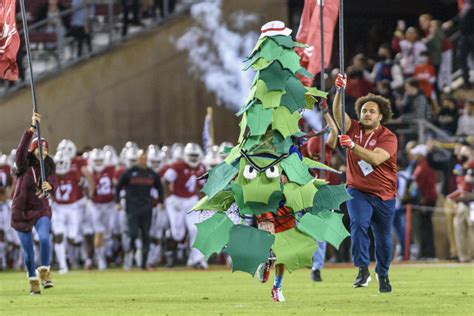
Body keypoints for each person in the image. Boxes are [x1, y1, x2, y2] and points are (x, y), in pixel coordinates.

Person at [333, 74, 397, 293]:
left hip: (384, 194)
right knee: (358, 223)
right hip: (357, 190)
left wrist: (352, 146)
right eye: (363, 110)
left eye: (371, 111)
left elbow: (376, 159)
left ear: (380, 116)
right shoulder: (353, 129)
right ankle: (362, 269)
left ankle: (383, 273)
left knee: (384, 239)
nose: (367, 114)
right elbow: (338, 114)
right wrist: (339, 91)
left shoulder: (388, 137)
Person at [11, 113, 57, 295]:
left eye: (45, 149)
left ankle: (45, 270)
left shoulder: (49, 166)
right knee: (28, 253)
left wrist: (51, 185)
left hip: (40, 209)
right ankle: (33, 280)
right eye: (39, 149)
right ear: (33, 150)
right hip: (21, 212)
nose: (43, 152)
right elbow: (21, 151)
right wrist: (31, 129)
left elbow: (54, 180)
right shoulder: (23, 165)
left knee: (45, 238)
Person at [115, 149, 164, 270]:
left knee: (146, 235)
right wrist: (117, 202)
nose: (143, 161)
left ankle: (143, 264)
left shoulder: (151, 173)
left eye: (145, 159)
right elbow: (118, 187)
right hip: (132, 208)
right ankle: (129, 256)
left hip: (147, 207)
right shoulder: (130, 172)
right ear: (137, 159)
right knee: (133, 234)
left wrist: (161, 201)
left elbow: (160, 187)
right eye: (141, 158)